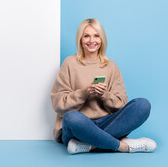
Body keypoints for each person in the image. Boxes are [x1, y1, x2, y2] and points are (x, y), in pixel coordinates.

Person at [50, 18, 157, 154]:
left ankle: (90, 145)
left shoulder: (111, 66)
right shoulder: (69, 63)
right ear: (80, 39)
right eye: (86, 36)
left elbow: (121, 104)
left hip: (108, 123)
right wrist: (83, 93)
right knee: (71, 117)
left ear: (102, 39)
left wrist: (105, 95)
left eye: (96, 36)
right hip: (79, 127)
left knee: (142, 105)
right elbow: (58, 105)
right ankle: (122, 146)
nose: (91, 40)